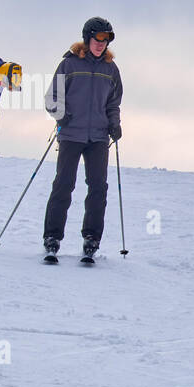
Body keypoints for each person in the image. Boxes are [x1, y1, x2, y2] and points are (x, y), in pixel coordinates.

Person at [42, 17, 123, 260]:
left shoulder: (111, 69)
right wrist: (61, 116)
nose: (101, 44)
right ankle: (52, 237)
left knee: (98, 188)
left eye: (105, 39)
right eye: (97, 38)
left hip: (98, 137)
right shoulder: (69, 64)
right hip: (70, 134)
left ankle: (91, 238)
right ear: (87, 38)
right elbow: (52, 98)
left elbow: (113, 103)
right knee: (64, 185)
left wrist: (114, 124)